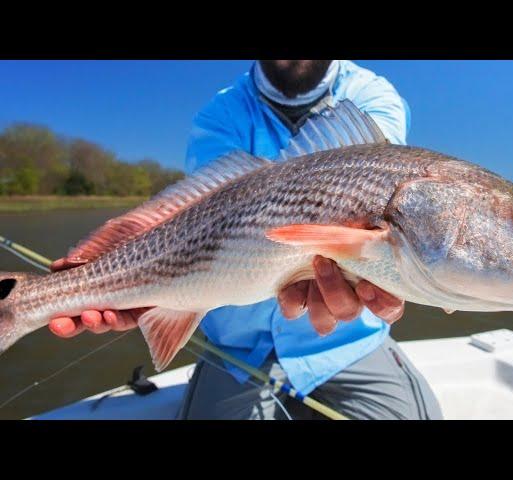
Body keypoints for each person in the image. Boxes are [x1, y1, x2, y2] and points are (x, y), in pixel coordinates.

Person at [48, 60, 442, 420]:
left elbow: (380, 187)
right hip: (235, 348)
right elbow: (195, 215)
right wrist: (129, 253)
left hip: (346, 343)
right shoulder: (220, 113)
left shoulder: (371, 94)